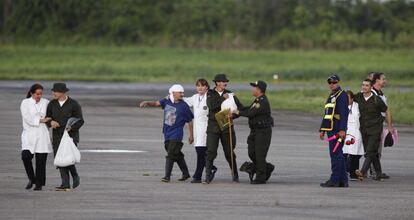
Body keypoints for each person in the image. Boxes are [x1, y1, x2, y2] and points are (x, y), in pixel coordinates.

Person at [140, 84, 194, 182]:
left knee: (171, 154)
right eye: (180, 92)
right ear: (173, 93)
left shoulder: (184, 106)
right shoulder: (166, 101)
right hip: (167, 133)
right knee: (176, 153)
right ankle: (186, 173)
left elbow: (190, 121)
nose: (182, 94)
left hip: (177, 135)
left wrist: (191, 135)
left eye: (182, 92)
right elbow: (156, 103)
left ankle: (167, 176)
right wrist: (147, 102)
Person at [233, 80, 275, 184]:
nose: (252, 89)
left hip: (263, 132)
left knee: (259, 155)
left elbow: (250, 113)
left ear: (259, 90)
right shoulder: (257, 100)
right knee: (252, 152)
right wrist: (233, 98)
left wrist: (237, 112)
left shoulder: (262, 102)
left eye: (254, 88)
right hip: (255, 131)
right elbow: (245, 109)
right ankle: (267, 167)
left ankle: (261, 177)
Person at [205, 74, 243, 184]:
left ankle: (235, 174)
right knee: (211, 151)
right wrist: (222, 98)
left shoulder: (230, 94)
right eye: (223, 81)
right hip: (213, 127)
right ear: (217, 83)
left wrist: (234, 115)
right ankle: (207, 175)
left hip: (227, 127)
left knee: (229, 152)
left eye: (226, 82)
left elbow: (239, 108)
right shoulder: (210, 94)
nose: (225, 83)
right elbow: (212, 107)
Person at [46, 83, 84, 191]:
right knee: (60, 159)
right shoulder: (52, 104)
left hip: (71, 136)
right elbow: (47, 118)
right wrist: (51, 122)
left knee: (68, 158)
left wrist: (72, 128)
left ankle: (75, 176)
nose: (53, 93)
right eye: (53, 91)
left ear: (63, 92)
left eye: (56, 91)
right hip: (57, 136)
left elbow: (80, 120)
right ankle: (65, 184)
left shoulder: (74, 104)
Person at [183, 79, 217, 183]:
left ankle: (197, 176)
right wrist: (171, 96)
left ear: (207, 87)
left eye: (202, 86)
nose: (200, 88)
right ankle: (211, 168)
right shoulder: (195, 97)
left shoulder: (210, 97)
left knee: (201, 153)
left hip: (206, 129)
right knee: (202, 153)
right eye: (198, 86)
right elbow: (183, 100)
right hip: (197, 129)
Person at [20, 84, 53, 191]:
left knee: (41, 161)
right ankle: (31, 178)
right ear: (31, 93)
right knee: (26, 156)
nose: (39, 96)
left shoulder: (46, 102)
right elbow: (27, 118)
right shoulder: (25, 103)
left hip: (42, 134)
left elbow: (51, 115)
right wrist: (41, 120)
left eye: (41, 94)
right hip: (29, 134)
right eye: (37, 94)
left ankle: (39, 184)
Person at [354, 79, 388, 181]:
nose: (364, 87)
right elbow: (349, 98)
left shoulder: (376, 99)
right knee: (373, 153)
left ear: (371, 87)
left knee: (369, 152)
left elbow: (386, 111)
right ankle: (378, 174)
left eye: (367, 85)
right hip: (364, 129)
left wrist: (390, 126)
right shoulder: (358, 97)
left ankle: (362, 172)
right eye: (363, 85)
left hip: (375, 129)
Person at [319, 74, 349, 187]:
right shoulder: (332, 95)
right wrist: (322, 129)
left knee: (336, 154)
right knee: (338, 154)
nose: (332, 84)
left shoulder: (342, 95)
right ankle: (343, 180)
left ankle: (335, 180)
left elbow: (344, 114)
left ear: (338, 82)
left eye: (334, 82)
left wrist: (342, 130)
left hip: (337, 130)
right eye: (330, 83)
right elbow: (327, 114)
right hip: (330, 129)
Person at [370, 72, 395, 179]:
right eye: (383, 79)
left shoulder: (380, 93)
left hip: (378, 124)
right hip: (371, 125)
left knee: (377, 150)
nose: (385, 81)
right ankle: (374, 172)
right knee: (373, 149)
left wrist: (389, 125)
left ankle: (375, 171)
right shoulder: (371, 93)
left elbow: (386, 110)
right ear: (377, 80)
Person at [342, 90, 364, 181]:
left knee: (355, 154)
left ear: (352, 98)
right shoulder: (341, 106)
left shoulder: (357, 106)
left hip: (355, 132)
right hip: (345, 132)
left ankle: (353, 174)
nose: (346, 100)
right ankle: (342, 172)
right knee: (344, 153)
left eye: (348, 98)